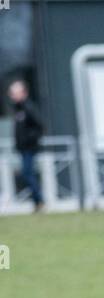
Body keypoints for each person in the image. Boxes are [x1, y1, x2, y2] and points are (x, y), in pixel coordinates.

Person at [8, 79, 44, 211]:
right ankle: (37, 202)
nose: (12, 96)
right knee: (27, 173)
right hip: (23, 149)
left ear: (23, 93)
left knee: (27, 173)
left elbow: (39, 126)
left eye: (15, 93)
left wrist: (29, 140)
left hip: (29, 148)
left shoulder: (28, 107)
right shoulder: (18, 109)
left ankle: (39, 200)